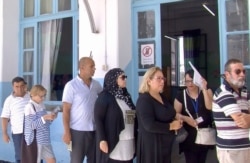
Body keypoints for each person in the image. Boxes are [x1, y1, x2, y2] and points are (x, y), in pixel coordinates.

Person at [136, 66, 182, 163]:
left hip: (166, 145)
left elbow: (170, 113)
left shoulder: (162, 97)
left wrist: (177, 118)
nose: (162, 81)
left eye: (163, 78)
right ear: (149, 81)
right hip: (153, 147)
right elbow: (149, 125)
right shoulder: (144, 100)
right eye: (159, 78)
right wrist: (171, 126)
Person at [62, 57, 102, 163]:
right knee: (76, 160)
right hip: (77, 132)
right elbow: (66, 110)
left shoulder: (96, 85)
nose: (94, 69)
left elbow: (104, 101)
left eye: (94, 66)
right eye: (91, 66)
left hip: (94, 130)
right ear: (82, 67)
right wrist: (67, 132)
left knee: (93, 160)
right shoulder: (71, 86)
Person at [94, 68, 136, 163]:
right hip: (115, 140)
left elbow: (130, 116)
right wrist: (102, 139)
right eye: (122, 77)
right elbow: (98, 118)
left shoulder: (126, 96)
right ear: (113, 79)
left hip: (128, 139)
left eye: (126, 77)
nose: (125, 79)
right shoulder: (105, 96)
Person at [212, 58, 250, 163]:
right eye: (237, 71)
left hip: (245, 147)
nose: (242, 74)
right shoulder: (223, 92)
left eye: (243, 71)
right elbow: (241, 121)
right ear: (227, 74)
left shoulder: (245, 91)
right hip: (231, 149)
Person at [174, 69, 214, 163]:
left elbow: (210, 107)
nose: (190, 84)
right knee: (191, 160)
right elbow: (175, 114)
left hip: (204, 134)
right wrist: (185, 119)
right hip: (189, 135)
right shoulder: (181, 95)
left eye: (192, 81)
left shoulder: (206, 91)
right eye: (187, 81)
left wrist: (204, 88)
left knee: (202, 159)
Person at [23, 84, 57, 163]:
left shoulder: (41, 105)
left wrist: (51, 118)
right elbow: (31, 125)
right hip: (35, 141)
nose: (43, 98)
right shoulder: (29, 107)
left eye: (44, 96)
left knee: (52, 160)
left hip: (45, 139)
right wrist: (44, 117)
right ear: (32, 95)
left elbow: (45, 124)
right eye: (40, 96)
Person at [1, 77, 30, 163]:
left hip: (33, 130)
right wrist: (5, 133)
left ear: (25, 86)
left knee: (35, 155)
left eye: (21, 86)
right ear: (13, 87)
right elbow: (5, 117)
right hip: (18, 132)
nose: (19, 88)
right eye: (16, 86)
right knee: (20, 157)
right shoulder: (9, 100)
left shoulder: (31, 96)